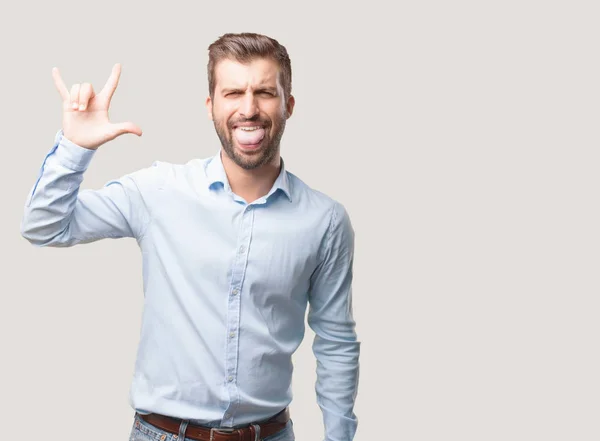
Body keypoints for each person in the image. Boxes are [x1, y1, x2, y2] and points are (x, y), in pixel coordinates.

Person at [20, 33, 360, 441]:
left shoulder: (324, 221)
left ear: (288, 105)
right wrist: (75, 146)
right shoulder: (159, 191)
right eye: (233, 92)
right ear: (211, 106)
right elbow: (44, 225)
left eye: (265, 92)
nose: (248, 109)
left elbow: (336, 341)